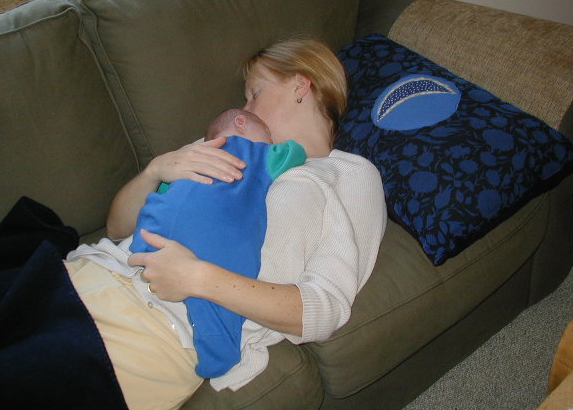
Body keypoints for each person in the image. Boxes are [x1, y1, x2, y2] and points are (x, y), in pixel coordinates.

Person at [67, 37, 387, 409]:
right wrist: (155, 171)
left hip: (158, 330)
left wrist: (199, 278)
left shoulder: (348, 174)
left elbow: (323, 310)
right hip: (88, 275)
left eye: (254, 94)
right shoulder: (228, 141)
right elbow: (118, 229)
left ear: (300, 86)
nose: (243, 110)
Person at [128, 107, 307, 378]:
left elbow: (164, 190)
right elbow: (296, 152)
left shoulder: (189, 158)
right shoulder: (256, 153)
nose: (270, 140)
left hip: (154, 227)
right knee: (226, 282)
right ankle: (219, 351)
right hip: (212, 232)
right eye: (267, 134)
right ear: (241, 123)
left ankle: (143, 255)